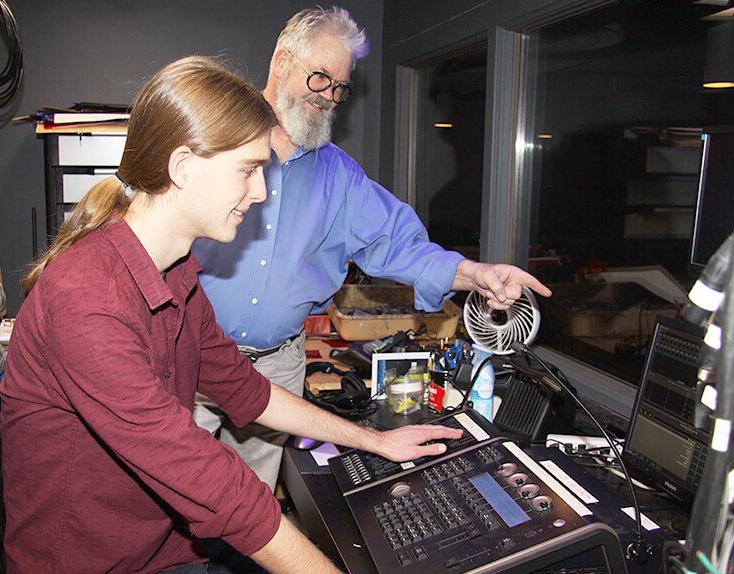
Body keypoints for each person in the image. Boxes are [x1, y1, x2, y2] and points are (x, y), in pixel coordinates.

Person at [0, 56, 462, 574]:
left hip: (166, 549)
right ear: (182, 168)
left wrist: (374, 441)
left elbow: (247, 390)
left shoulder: (178, 275)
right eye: (248, 170)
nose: (261, 193)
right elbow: (201, 475)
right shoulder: (88, 298)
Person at [191, 7, 553, 491]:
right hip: (191, 358)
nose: (329, 98)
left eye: (339, 88)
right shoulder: (212, 140)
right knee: (171, 506)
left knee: (249, 510)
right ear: (281, 61)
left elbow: (400, 245)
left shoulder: (339, 176)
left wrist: (477, 274)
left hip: (278, 365)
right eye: (320, 78)